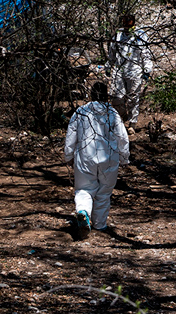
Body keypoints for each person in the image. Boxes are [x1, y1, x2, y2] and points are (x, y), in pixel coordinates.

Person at [64, 81, 130, 238]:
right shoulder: (112, 113)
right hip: (109, 157)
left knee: (84, 189)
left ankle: (83, 212)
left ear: (91, 95)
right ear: (106, 95)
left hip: (85, 156)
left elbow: (70, 136)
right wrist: (124, 158)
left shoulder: (81, 112)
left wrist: (68, 156)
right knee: (104, 192)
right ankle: (100, 225)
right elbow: (122, 137)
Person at [107, 13, 153, 135]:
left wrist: (147, 69)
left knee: (133, 98)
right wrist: (108, 65)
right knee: (117, 97)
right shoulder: (118, 35)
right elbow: (112, 52)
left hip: (135, 70)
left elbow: (146, 53)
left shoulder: (140, 35)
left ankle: (132, 124)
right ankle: (121, 119)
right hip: (119, 69)